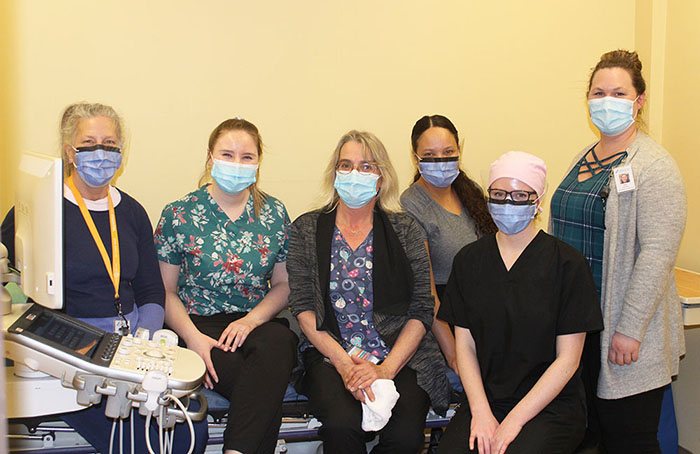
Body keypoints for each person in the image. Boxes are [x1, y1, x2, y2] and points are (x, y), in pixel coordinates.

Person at [550, 49, 687, 454]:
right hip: (579, 323)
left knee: (628, 438)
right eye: (598, 92)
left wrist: (629, 330)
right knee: (589, 433)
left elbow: (658, 255)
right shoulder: (585, 157)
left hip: (624, 329)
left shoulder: (654, 166)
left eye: (618, 92)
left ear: (638, 100)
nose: (606, 101)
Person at [55, 102, 207, 453]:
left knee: (189, 435)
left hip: (133, 344)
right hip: (75, 350)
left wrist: (146, 340)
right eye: (89, 144)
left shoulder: (131, 211)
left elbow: (151, 287)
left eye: (110, 144)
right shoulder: (43, 207)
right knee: (141, 442)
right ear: (70, 152)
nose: (101, 153)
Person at [286, 130, 450, 454]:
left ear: (381, 176)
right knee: (341, 426)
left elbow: (422, 308)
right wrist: (345, 365)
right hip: (331, 354)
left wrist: (384, 370)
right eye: (346, 165)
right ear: (334, 173)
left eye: (366, 166)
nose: (354, 174)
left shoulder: (406, 230)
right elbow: (303, 308)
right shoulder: (306, 229)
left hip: (400, 355)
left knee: (404, 438)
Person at [437, 151, 603, 454]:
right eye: (498, 195)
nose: (507, 204)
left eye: (519, 195)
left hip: (550, 406)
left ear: (537, 200)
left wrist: (514, 421)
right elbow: (466, 346)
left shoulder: (567, 265)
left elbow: (568, 360)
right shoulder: (470, 261)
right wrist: (481, 413)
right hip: (487, 401)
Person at [155, 118, 298, 454]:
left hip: (255, 321)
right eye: (227, 154)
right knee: (264, 386)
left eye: (247, 157)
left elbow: (283, 285)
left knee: (280, 341)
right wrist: (193, 340)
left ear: (259, 163)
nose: (237, 163)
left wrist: (251, 320)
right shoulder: (179, 214)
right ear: (210, 158)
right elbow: (165, 291)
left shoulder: (275, 213)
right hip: (197, 325)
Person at [400, 114, 497, 374]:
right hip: (448, 315)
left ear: (459, 150)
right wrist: (454, 354)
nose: (441, 161)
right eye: (430, 155)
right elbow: (427, 294)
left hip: (487, 306)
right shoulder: (411, 204)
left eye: (448, 151)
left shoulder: (470, 191)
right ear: (415, 157)